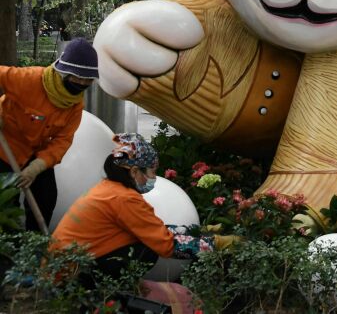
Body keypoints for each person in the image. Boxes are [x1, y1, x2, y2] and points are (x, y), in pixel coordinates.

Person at [51, 133, 224, 286]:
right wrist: (216, 245)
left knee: (145, 241)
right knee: (147, 250)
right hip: (70, 276)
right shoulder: (124, 199)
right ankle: (107, 290)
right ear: (134, 171)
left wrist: (198, 231)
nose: (153, 178)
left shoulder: (108, 188)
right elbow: (165, 244)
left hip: (61, 268)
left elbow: (155, 231)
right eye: (151, 172)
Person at [0, 37, 98, 231]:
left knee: (46, 196)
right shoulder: (29, 79)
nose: (82, 83)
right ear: (63, 72)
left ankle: (35, 246)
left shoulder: (75, 106)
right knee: (6, 204)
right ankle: (9, 252)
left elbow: (63, 141)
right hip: (4, 147)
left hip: (37, 153)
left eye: (88, 79)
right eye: (78, 77)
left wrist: (37, 167)